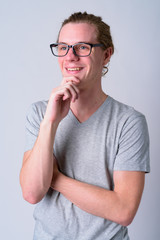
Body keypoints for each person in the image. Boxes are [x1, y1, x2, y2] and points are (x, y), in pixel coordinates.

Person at [20, 12, 150, 240]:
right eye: (63, 47)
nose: (70, 57)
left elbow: (124, 210)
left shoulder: (129, 122)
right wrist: (51, 122)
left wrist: (55, 178)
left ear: (106, 54)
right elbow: (32, 193)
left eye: (82, 47)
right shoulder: (40, 113)